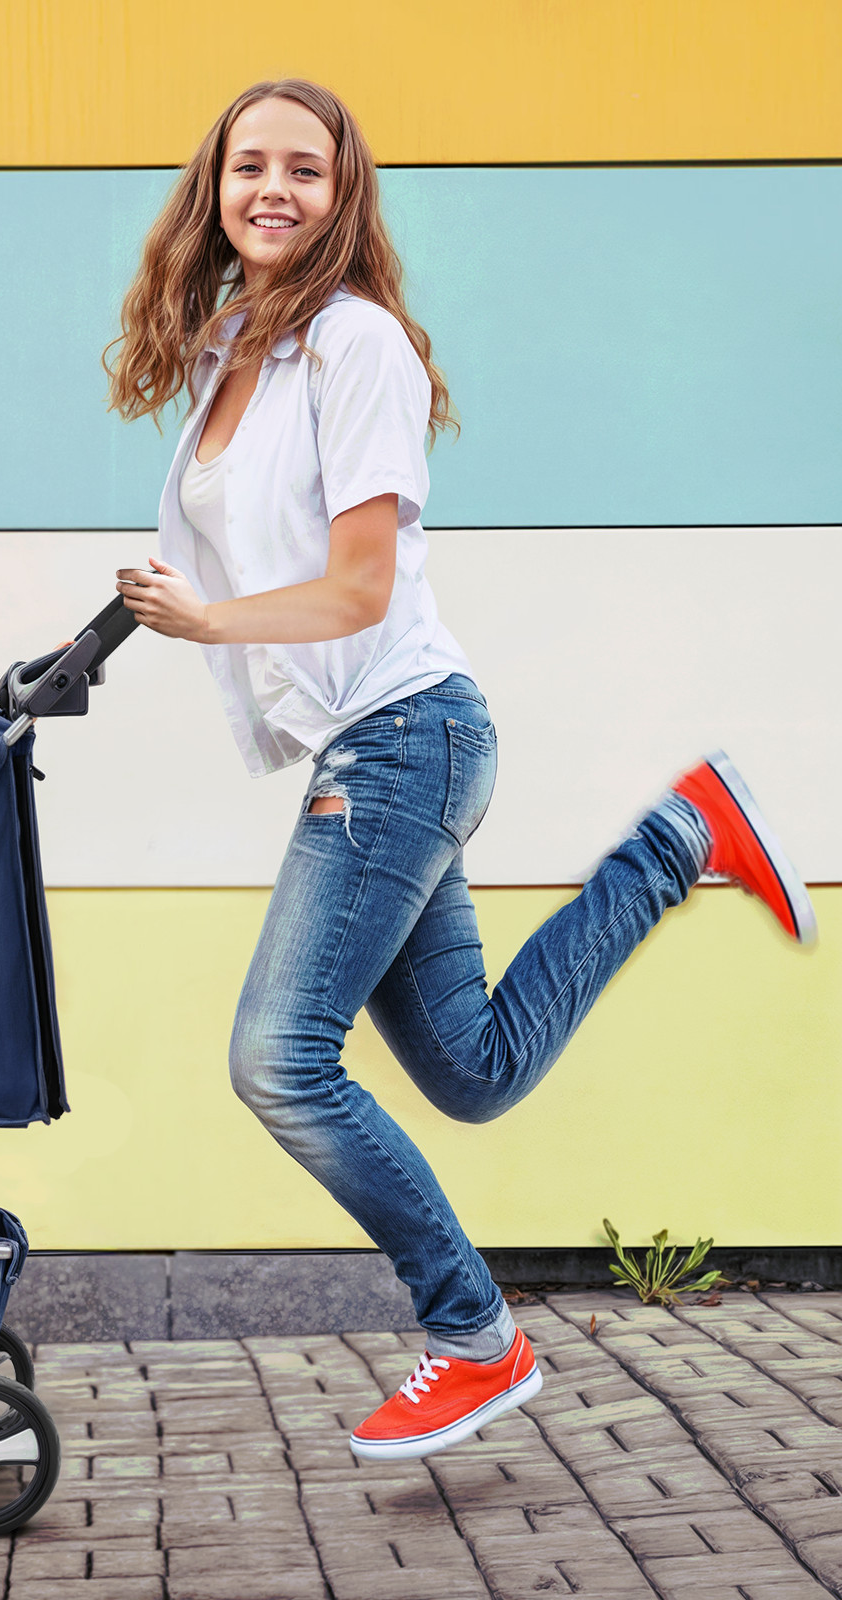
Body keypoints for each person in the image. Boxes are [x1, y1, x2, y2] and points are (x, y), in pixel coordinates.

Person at [104, 78, 816, 1462]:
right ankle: (684, 838)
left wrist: (210, 620)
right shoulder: (230, 346)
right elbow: (239, 547)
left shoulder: (354, 344)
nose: (273, 189)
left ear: (341, 194)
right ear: (213, 185)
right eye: (249, 164)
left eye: (303, 170)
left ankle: (474, 1333)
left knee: (279, 1059)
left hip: (404, 734)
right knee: (477, 1073)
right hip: (388, 741)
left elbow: (360, 585)